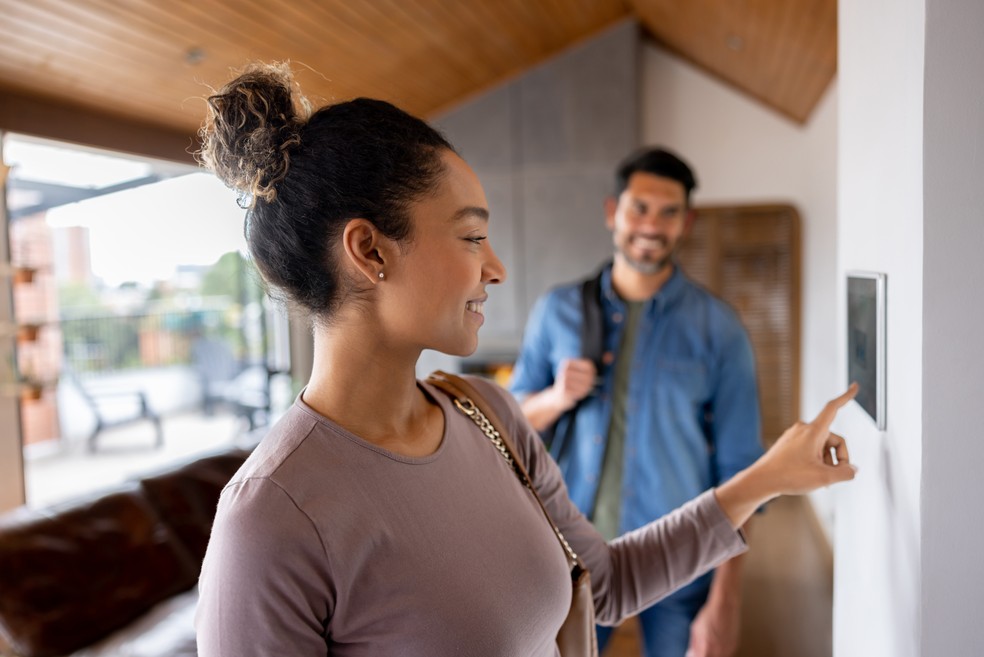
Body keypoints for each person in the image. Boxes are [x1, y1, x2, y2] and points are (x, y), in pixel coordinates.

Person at [192, 62, 858, 657]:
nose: (496, 267)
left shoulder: (489, 412)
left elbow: (608, 583)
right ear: (370, 252)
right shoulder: (270, 521)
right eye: (472, 235)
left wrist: (769, 476)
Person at [509, 147, 763, 657]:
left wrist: (726, 602)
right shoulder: (556, 311)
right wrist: (557, 398)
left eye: (669, 212)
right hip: (571, 557)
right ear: (612, 212)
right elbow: (510, 426)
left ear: (686, 222)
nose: (652, 225)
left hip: (680, 564)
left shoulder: (720, 329)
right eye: (639, 208)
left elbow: (742, 474)